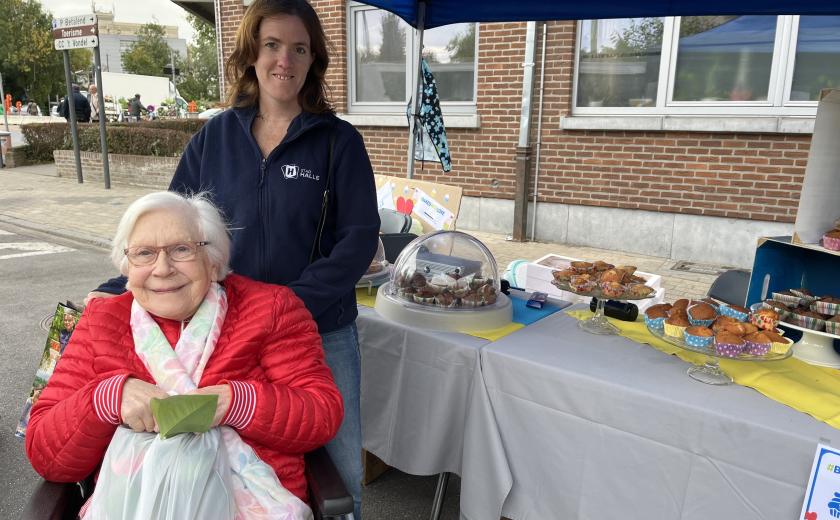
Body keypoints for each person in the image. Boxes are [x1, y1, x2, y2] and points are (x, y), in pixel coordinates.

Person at [87, 1, 379, 516]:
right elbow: (173, 226)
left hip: (322, 328)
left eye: (299, 48)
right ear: (251, 54)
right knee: (233, 450)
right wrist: (117, 286)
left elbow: (357, 239)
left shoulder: (339, 143)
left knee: (341, 475)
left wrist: (290, 305)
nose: (284, 60)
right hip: (226, 326)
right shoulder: (214, 137)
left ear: (314, 61)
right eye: (271, 45)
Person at [27, 191, 342, 518]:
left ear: (214, 260)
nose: (162, 269)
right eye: (144, 253)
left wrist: (237, 403)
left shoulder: (272, 308)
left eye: (181, 249)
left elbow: (321, 414)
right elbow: (43, 450)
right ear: (126, 266)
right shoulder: (98, 321)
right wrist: (105, 399)